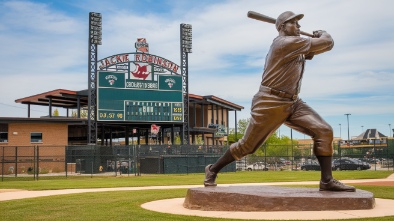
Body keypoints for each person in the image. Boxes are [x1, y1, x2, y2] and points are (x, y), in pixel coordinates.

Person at [204, 11, 355, 192]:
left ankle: (327, 181)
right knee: (247, 147)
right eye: (294, 23)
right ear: (282, 27)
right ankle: (212, 170)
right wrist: (322, 33)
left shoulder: (296, 45)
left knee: (324, 131)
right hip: (270, 102)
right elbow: (327, 43)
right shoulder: (284, 43)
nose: (299, 27)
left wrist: (316, 41)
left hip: (293, 102)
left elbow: (315, 50)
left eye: (299, 24)